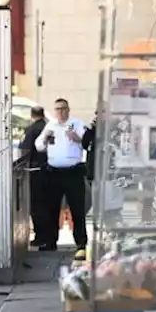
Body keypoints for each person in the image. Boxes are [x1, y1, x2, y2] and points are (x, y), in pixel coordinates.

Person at [34, 97, 89, 257]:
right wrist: (45, 137)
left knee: (77, 209)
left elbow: (87, 143)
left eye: (64, 108)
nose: (61, 112)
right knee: (51, 209)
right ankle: (50, 242)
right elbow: (39, 146)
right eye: (58, 109)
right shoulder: (50, 125)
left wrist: (77, 138)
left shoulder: (76, 124)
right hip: (54, 172)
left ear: (68, 109)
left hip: (73, 172)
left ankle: (80, 243)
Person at [18, 106, 51, 249]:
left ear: (32, 115)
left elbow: (26, 151)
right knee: (47, 204)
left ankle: (40, 236)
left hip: (35, 170)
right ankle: (48, 236)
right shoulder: (48, 128)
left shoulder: (31, 130)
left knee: (36, 206)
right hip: (49, 169)